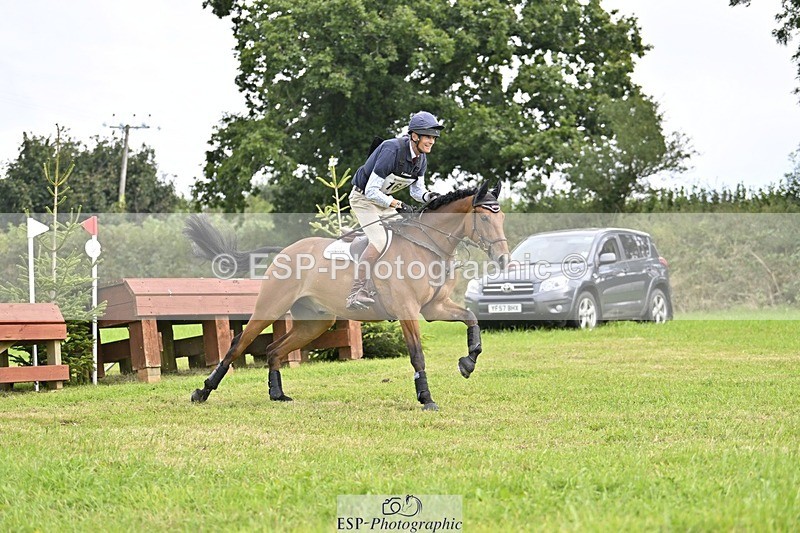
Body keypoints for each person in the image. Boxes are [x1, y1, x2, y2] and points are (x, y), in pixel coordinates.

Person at [346, 111, 443, 310]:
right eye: (428, 136)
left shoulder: (421, 159)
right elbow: (371, 191)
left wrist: (430, 197)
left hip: (383, 203)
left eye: (434, 137)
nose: (431, 141)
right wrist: (397, 204)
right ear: (414, 136)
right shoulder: (392, 150)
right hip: (363, 199)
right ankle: (356, 291)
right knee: (380, 241)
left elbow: (417, 191)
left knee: (406, 234)